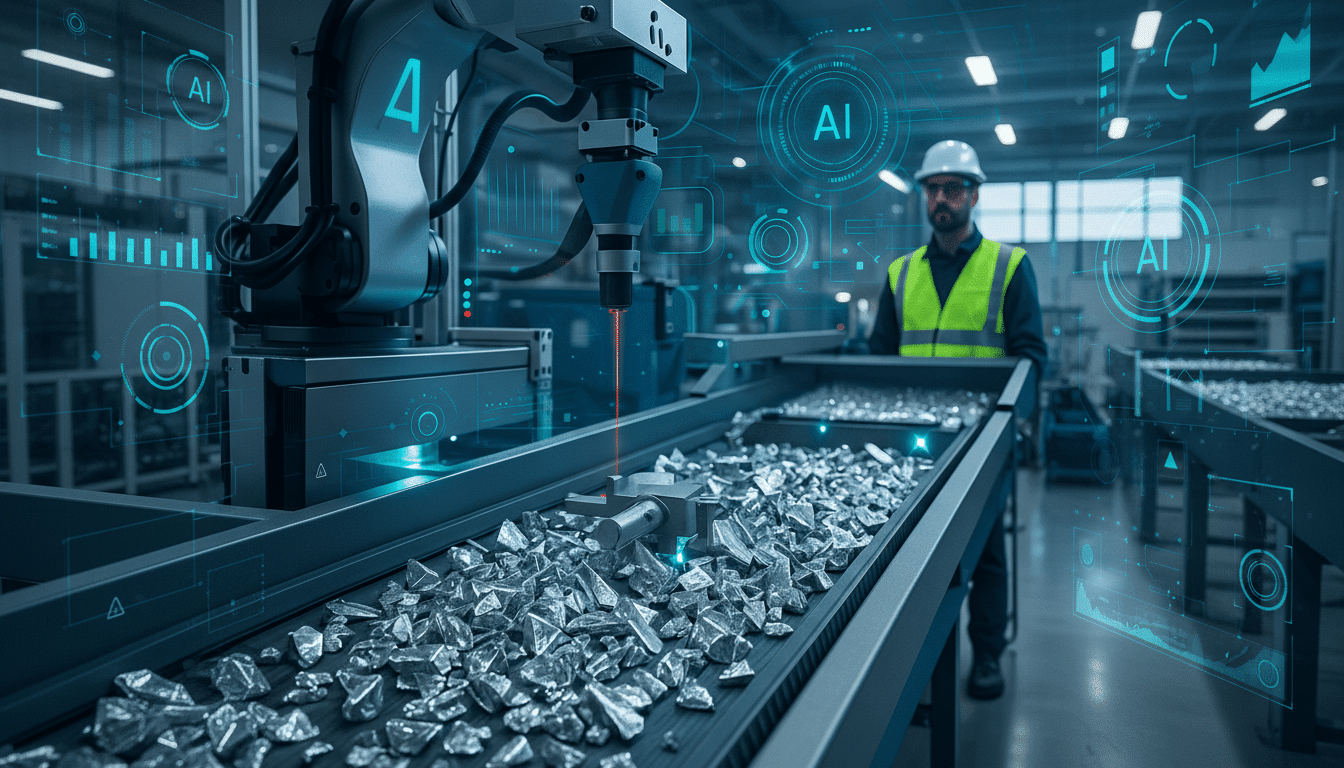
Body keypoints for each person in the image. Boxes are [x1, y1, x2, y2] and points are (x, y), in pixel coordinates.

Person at [869, 140, 1047, 700]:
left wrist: (1012, 428)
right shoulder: (901, 274)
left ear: (973, 194)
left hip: (982, 441)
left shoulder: (1010, 266)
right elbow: (877, 361)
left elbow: (1031, 356)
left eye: (952, 188)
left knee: (985, 549)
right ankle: (909, 661)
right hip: (913, 442)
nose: (941, 198)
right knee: (906, 551)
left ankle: (986, 653)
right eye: (932, 189)